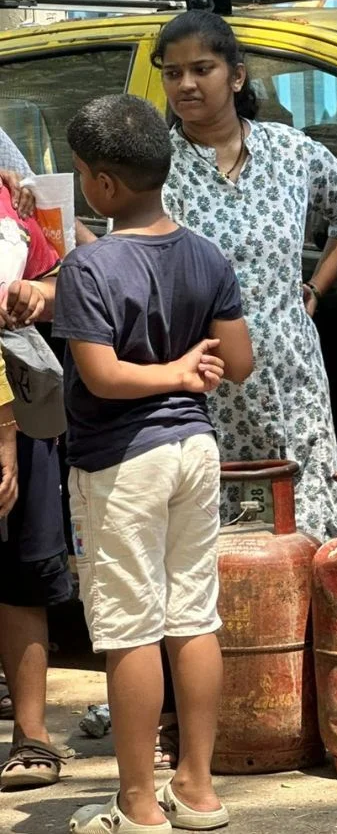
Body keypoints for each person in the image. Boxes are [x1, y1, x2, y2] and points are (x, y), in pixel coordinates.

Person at [55, 94, 253, 833]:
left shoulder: (88, 269)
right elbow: (239, 361)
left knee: (129, 628)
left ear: (102, 185)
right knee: (193, 614)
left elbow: (102, 377)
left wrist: (168, 371)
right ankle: (197, 789)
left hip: (121, 461)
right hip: (195, 451)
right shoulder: (204, 252)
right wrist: (187, 368)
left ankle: (137, 803)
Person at [154, 9, 337, 540]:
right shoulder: (159, 165)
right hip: (206, 384)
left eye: (200, 69)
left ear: (236, 75)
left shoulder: (289, 152)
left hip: (291, 374)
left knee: (307, 523)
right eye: (172, 72)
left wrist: (315, 287)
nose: (185, 84)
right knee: (223, 536)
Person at [0, 147, 74, 791]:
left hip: (23, 401)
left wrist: (33, 294)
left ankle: (33, 734)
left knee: (24, 569)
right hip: (11, 417)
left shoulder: (14, 197)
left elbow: (62, 280)